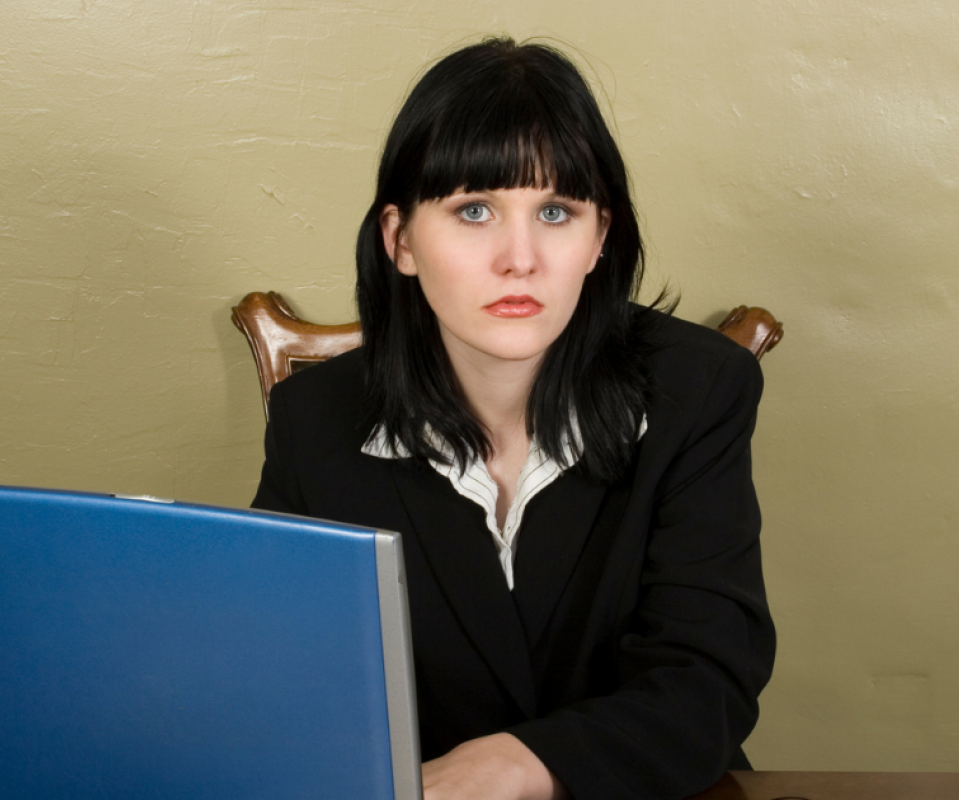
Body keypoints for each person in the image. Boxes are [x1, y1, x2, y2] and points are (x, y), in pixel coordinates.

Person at [253, 37, 775, 800]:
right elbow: (280, 678)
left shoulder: (699, 389)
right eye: (474, 210)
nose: (519, 258)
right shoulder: (314, 418)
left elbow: (710, 681)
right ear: (400, 240)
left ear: (600, 236)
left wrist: (526, 763)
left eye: (556, 211)